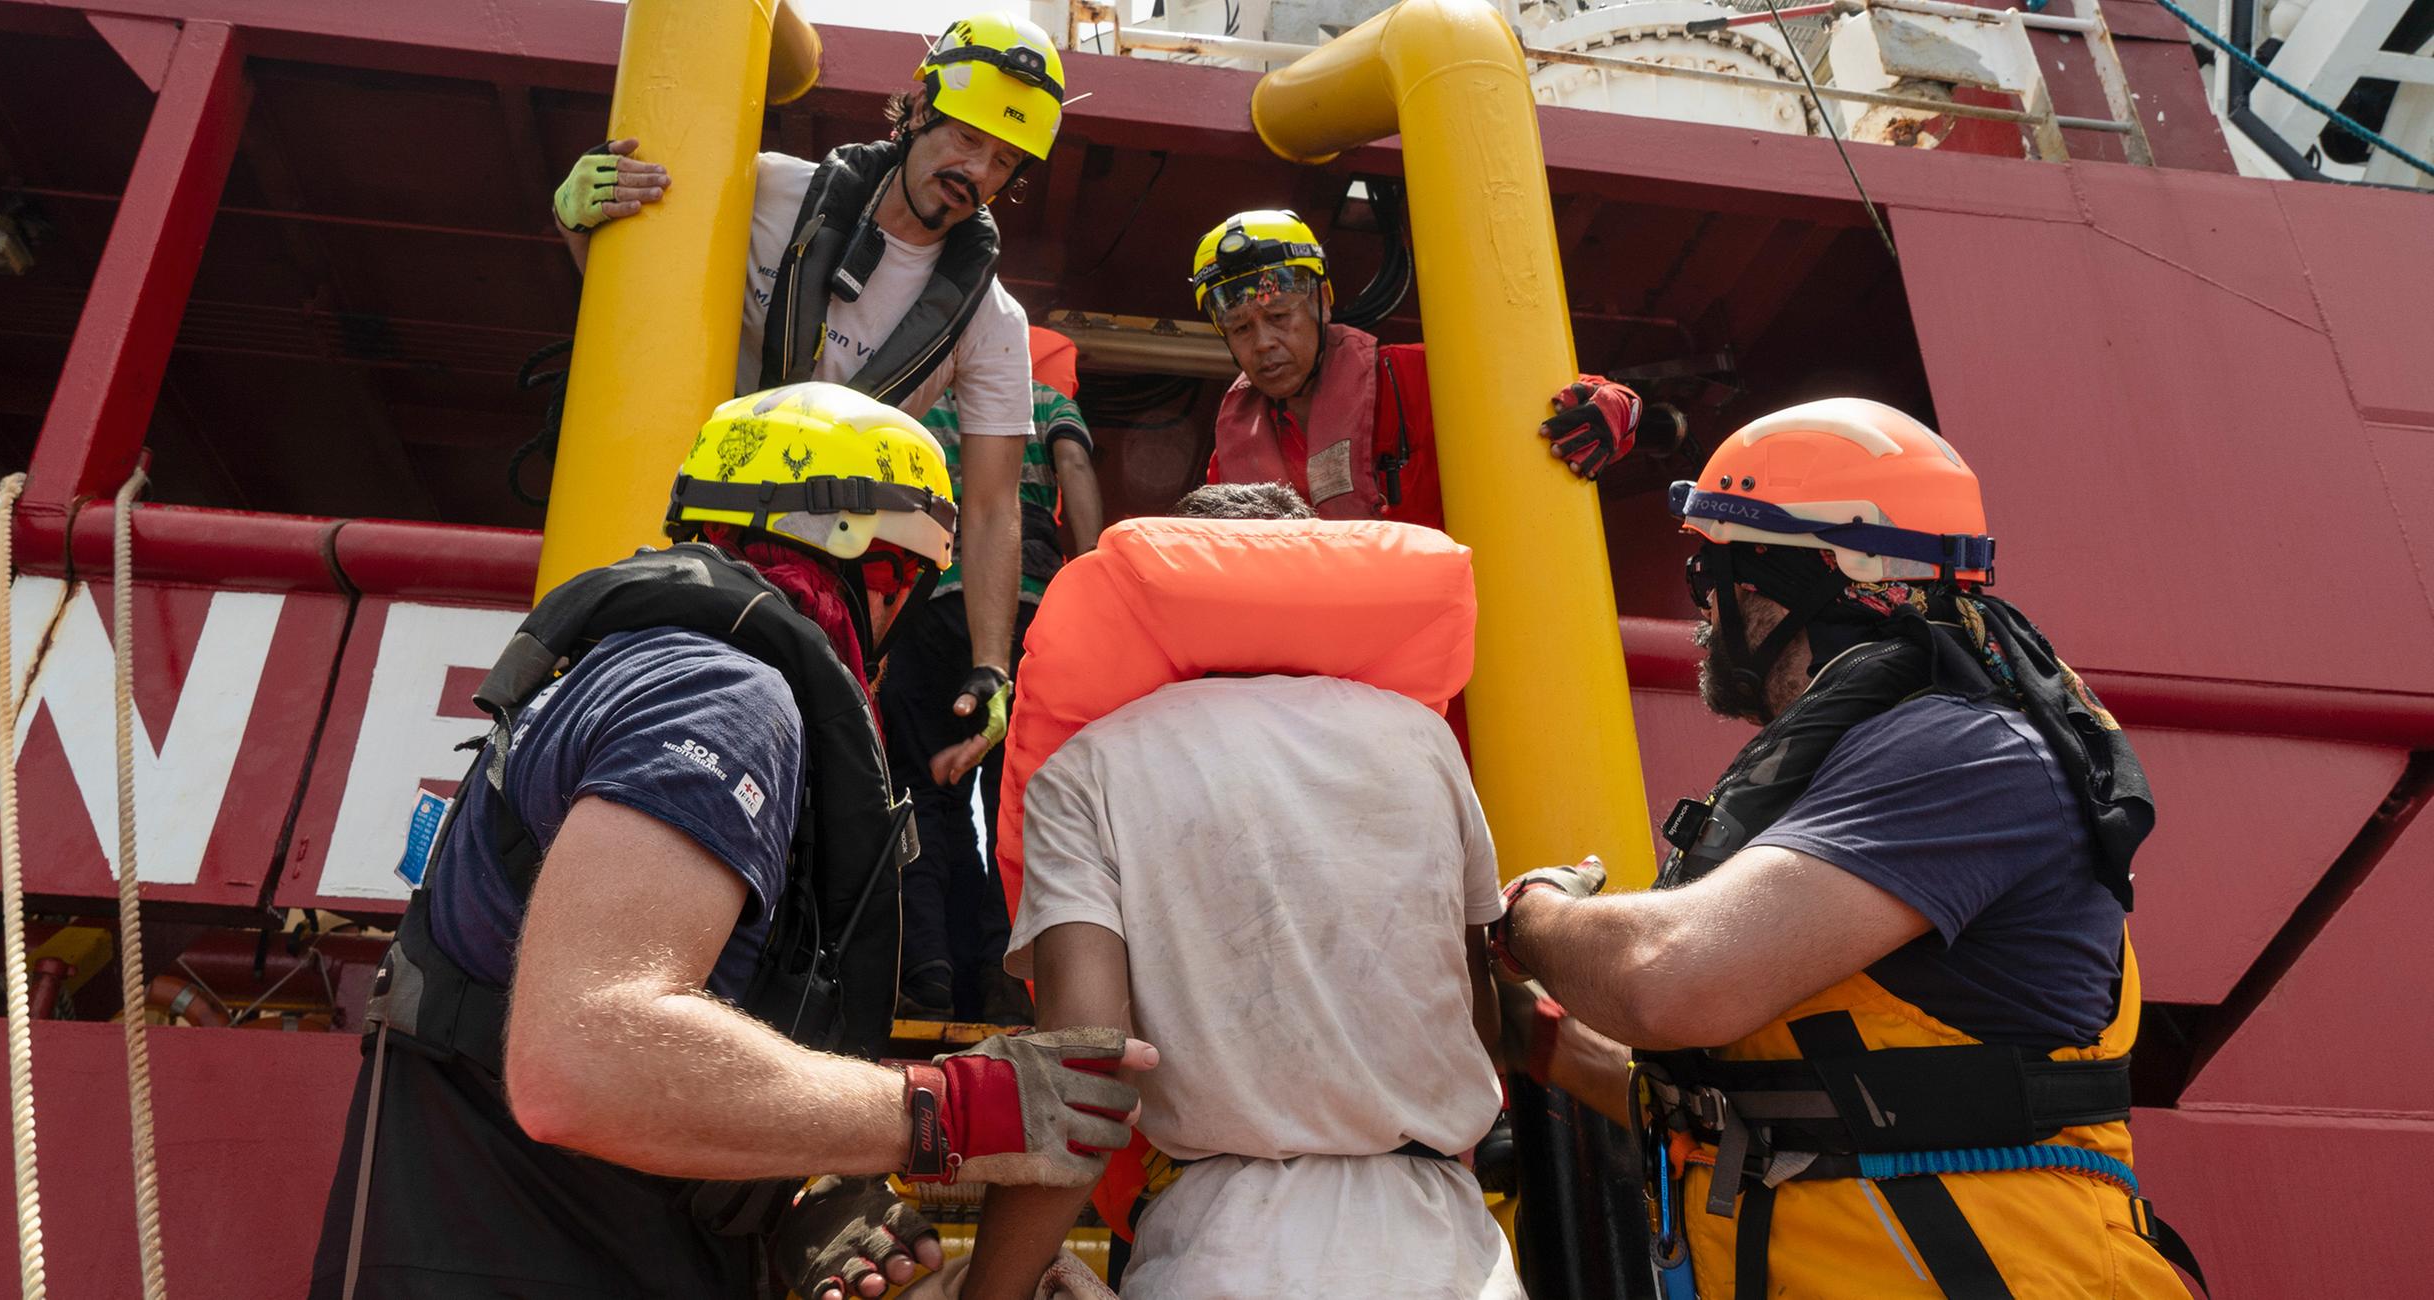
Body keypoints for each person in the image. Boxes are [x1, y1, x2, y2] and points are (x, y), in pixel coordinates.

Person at [310, 383, 1153, 1300]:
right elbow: (585, 1060)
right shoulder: (720, 695)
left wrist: (784, 1204)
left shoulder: (642, 669)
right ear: (873, 559)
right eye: (900, 587)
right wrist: (949, 1107)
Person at [1488, 398, 2202, 1298]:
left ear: (1775, 581)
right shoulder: (1871, 768)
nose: (1704, 606)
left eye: (1706, 569)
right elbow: (1770, 1105)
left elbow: (1670, 980)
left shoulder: (1965, 757)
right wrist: (1534, 1037)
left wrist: (1529, 917)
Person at [941, 484, 1525, 1300]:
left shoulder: (1089, 772)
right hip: (1450, 1252)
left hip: (1223, 1253)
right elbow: (1479, 1022)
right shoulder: (1425, 743)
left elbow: (1082, 1075)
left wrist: (992, 1291)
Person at [554, 11, 1070, 787]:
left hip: (823, 591)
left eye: (1004, 162)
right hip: (672, 526)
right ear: (921, 107)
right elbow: (636, 316)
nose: (979, 174)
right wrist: (577, 220)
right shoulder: (761, 191)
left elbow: (994, 507)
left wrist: (993, 666)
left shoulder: (991, 321)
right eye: (967, 139)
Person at [884, 327, 1103, 1021]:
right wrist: (1096, 572)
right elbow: (1074, 469)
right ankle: (1013, 984)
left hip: (934, 606)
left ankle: (930, 970)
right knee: (1022, 810)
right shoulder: (1042, 400)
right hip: (1032, 614)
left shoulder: (916, 406)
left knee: (924, 795)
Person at [1189, 209, 1647, 529]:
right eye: (1241, 328)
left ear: (1322, 303)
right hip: (1310, 657)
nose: (1264, 342)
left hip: (1442, 644)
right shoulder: (1228, 458)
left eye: (1279, 317)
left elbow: (1581, 395)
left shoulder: (1420, 377)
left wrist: (1613, 408)